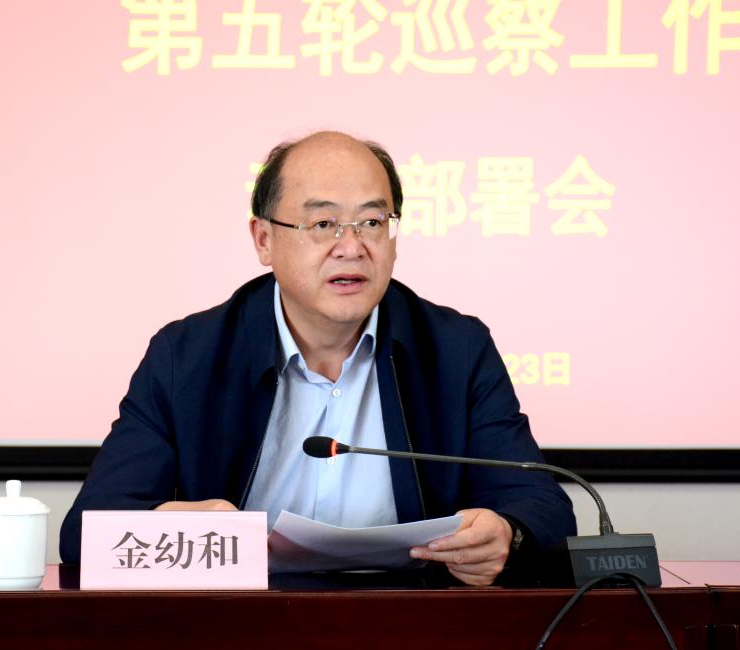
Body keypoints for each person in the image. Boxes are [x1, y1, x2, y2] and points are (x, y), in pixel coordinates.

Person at [60, 131, 575, 585]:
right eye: (324, 223)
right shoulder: (188, 356)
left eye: (372, 222)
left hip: (410, 628)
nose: (351, 247)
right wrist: (175, 531)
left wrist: (508, 535)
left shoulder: (455, 349)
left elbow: (546, 510)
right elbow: (84, 535)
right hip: (240, 630)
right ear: (264, 240)